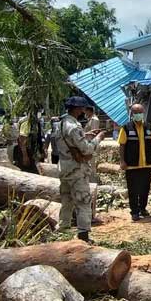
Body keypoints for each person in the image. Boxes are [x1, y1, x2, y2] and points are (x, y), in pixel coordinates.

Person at [54, 96, 105, 242]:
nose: (83, 111)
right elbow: (86, 149)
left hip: (64, 167)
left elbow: (70, 141)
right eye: (82, 108)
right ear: (76, 109)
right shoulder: (74, 127)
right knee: (83, 201)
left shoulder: (60, 124)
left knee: (66, 200)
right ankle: (83, 235)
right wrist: (98, 139)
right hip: (76, 170)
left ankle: (63, 229)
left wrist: (85, 135)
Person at [118, 103, 151, 221]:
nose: (138, 114)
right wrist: (122, 161)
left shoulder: (149, 127)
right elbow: (122, 145)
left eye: (140, 112)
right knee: (133, 190)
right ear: (132, 114)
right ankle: (134, 212)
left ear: (143, 113)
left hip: (146, 164)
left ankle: (143, 208)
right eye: (136, 112)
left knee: (145, 188)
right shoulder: (126, 128)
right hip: (132, 165)